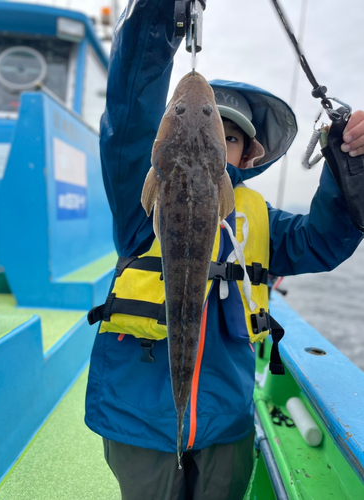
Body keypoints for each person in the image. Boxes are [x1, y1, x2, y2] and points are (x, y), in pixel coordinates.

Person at [85, 1, 364, 498]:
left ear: (246, 154)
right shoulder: (139, 202)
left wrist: (350, 166)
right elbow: (129, 107)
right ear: (158, 137)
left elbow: (323, 242)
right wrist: (158, 15)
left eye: (231, 135)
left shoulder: (258, 222)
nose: (220, 137)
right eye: (217, 127)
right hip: (138, 418)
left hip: (224, 420)